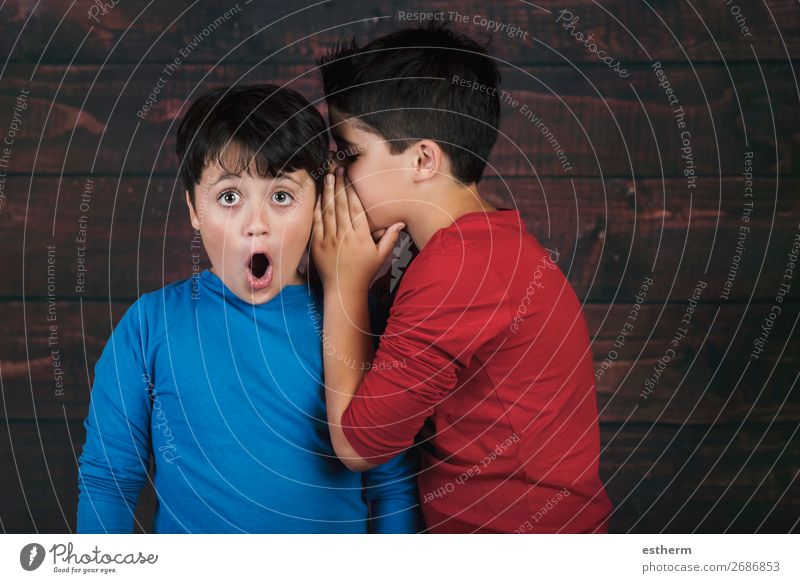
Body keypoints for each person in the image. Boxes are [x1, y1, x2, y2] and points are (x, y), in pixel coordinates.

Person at [76, 84, 421, 533]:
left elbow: (392, 485)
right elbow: (109, 480)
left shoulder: (357, 323)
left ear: (318, 203)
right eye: (229, 197)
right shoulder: (148, 327)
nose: (256, 225)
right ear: (194, 210)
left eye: (281, 197)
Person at [311, 24, 613, 533]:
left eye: (349, 153)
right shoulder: (471, 247)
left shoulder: (462, 270)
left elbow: (358, 444)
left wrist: (343, 283)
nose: (334, 174)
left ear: (424, 159)